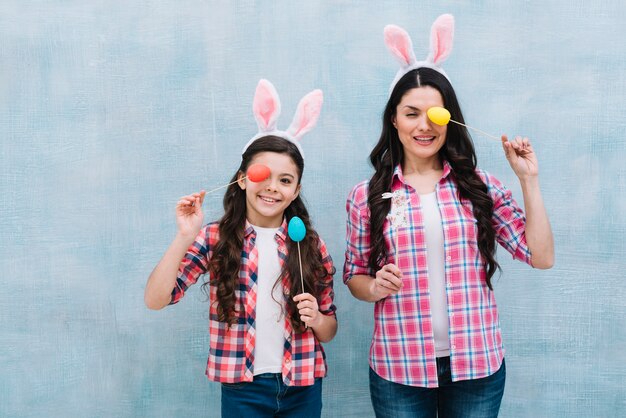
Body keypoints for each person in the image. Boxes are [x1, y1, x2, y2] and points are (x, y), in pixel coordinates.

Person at [343, 15, 554, 418]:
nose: (424, 126)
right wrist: (375, 287)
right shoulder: (364, 196)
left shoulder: (482, 187)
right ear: (393, 118)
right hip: (398, 366)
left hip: (477, 366)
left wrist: (529, 180)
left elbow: (541, 256)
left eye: (435, 114)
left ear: (450, 119)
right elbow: (354, 275)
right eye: (411, 113)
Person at [145, 80, 337, 418]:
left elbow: (329, 329)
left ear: (296, 190)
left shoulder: (309, 244)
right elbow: (156, 299)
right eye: (262, 174)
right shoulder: (214, 237)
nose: (272, 188)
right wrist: (184, 236)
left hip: (303, 383)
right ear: (243, 178)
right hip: (243, 389)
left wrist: (317, 318)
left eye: (285, 180)